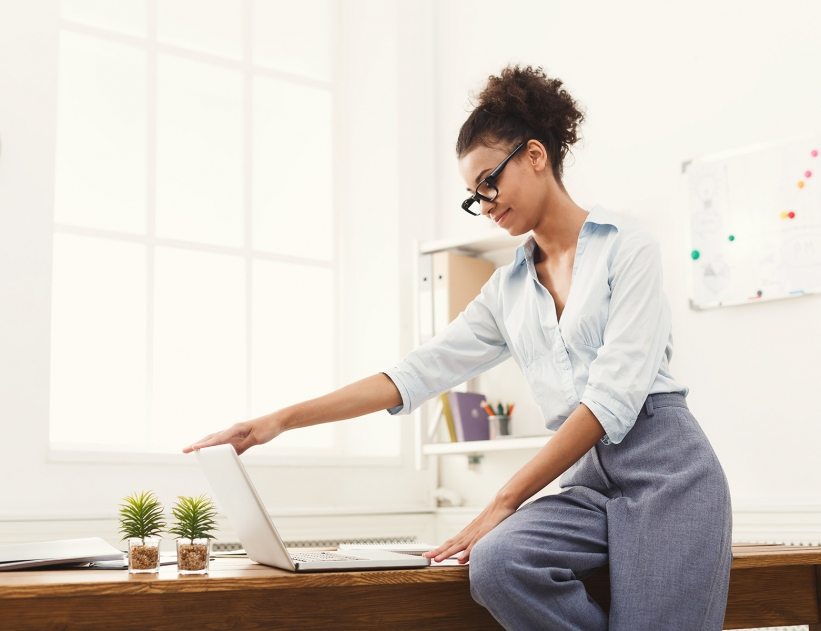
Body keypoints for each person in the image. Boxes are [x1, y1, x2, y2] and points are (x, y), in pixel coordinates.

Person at [183, 65, 732, 631]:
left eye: (488, 183)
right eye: (474, 198)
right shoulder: (509, 290)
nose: (485, 203)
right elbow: (413, 374)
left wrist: (502, 502)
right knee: (498, 563)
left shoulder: (628, 248)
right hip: (587, 480)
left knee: (508, 540)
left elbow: (611, 402)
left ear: (536, 156)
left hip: (668, 473)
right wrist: (277, 422)